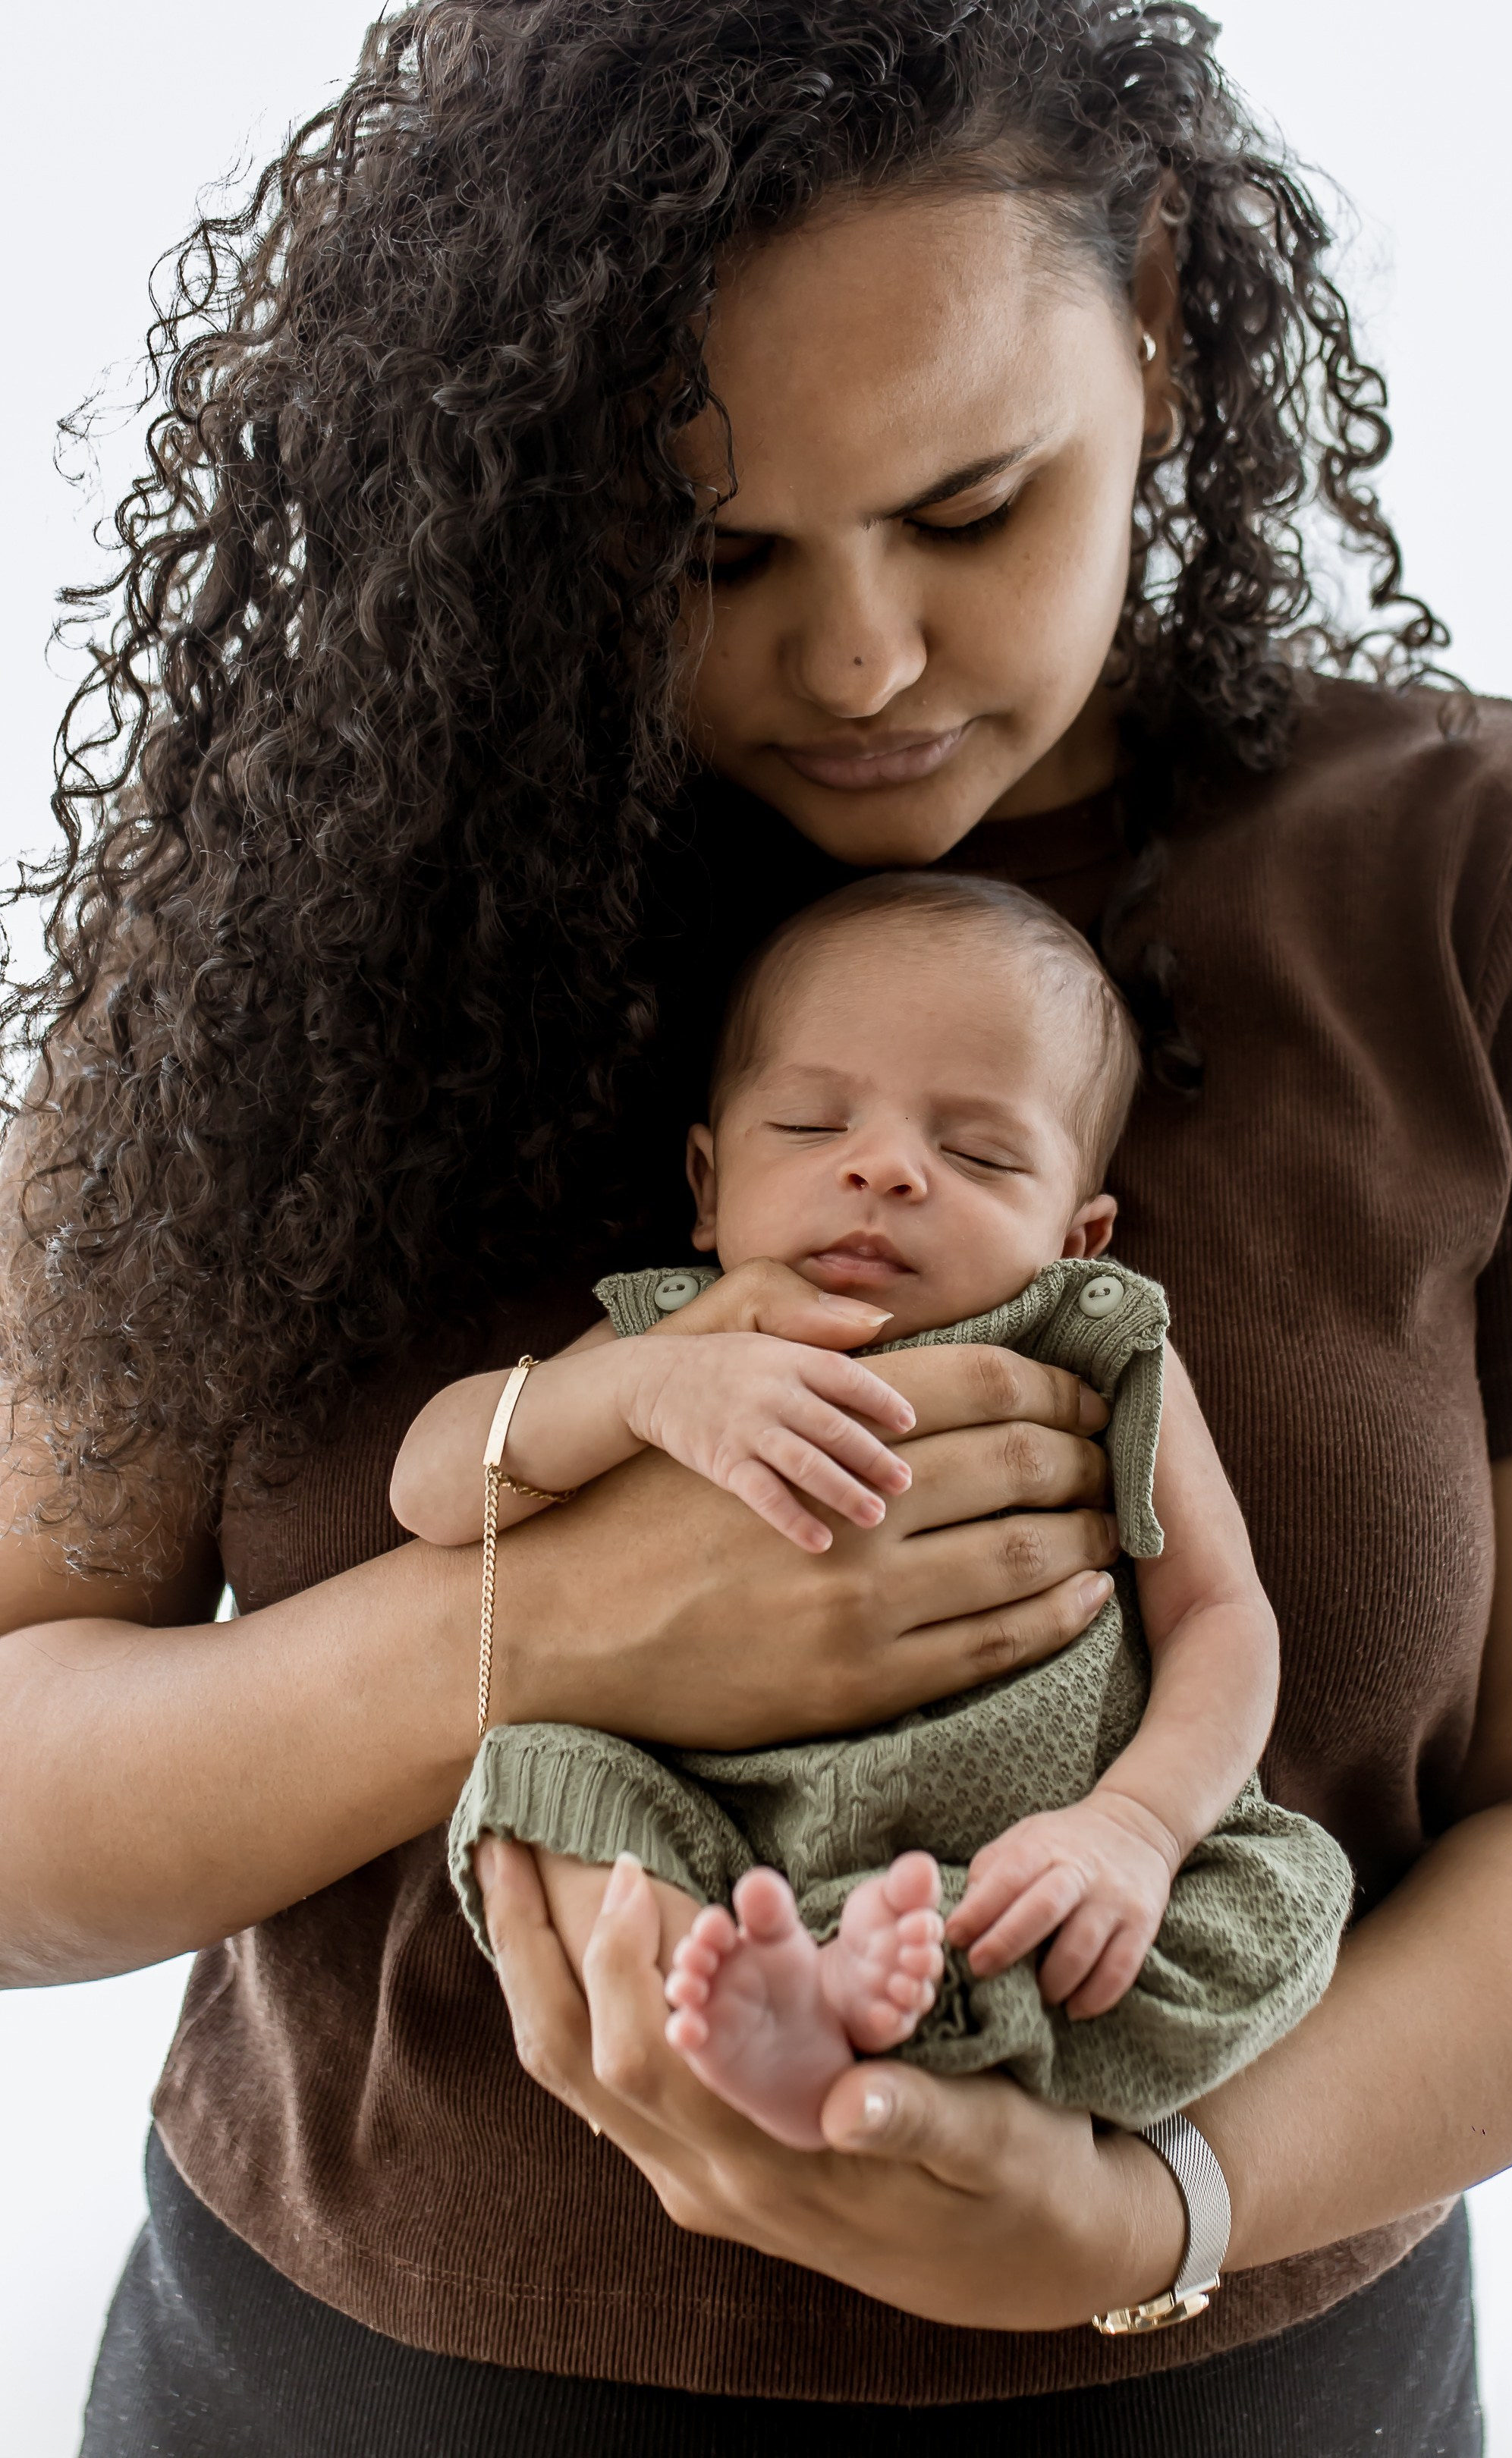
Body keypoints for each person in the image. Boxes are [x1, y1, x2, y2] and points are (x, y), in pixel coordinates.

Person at [1, 3, 1512, 2453]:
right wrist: (536, 1624)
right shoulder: (298, 903)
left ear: (1156, 318)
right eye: (720, 552)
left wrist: (1154, 2207)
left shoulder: (1485, 874)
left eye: (971, 511)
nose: (862, 659)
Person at [401, 870, 1352, 2152]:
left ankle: (888, 2009)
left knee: (1287, 1888)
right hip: (729, 1842)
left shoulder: (1098, 1343)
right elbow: (429, 1487)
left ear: (1080, 1238)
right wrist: (637, 1390)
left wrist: (1134, 1827)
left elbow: (1221, 1616)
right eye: (809, 1125)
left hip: (1032, 1862)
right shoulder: (680, 1334)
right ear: (708, 1184)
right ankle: (750, 2002)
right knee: (531, 1778)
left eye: (980, 1154)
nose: (886, 1168)